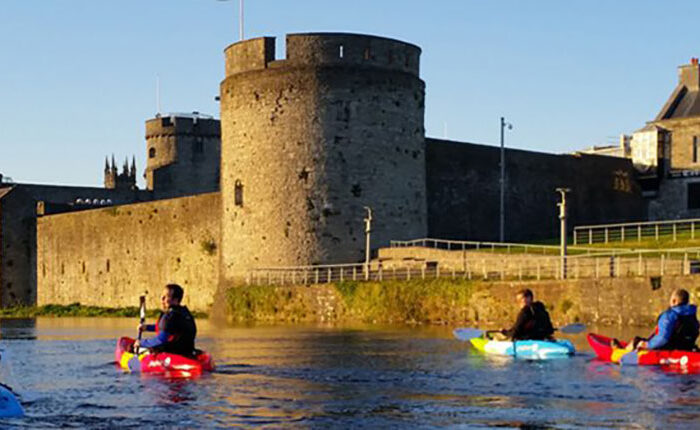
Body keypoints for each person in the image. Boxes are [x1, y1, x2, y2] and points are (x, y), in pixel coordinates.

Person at [617, 289, 699, 351]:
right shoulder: (692, 315)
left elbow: (662, 339)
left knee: (636, 340)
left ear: (674, 301)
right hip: (687, 348)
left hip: (668, 350)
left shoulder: (669, 315)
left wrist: (647, 345)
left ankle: (623, 352)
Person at [133, 283, 197, 356]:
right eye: (162, 296)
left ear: (175, 300)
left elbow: (161, 340)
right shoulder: (185, 313)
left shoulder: (170, 316)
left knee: (132, 348)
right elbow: (168, 328)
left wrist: (141, 342)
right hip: (187, 351)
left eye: (166, 297)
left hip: (172, 353)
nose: (162, 299)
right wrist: (147, 327)